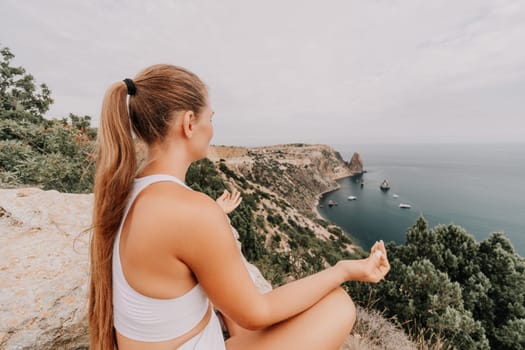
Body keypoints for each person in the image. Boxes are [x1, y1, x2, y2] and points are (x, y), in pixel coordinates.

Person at [88, 64, 390, 350]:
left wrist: (215, 217)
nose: (213, 128)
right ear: (190, 123)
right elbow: (258, 313)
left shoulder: (127, 191)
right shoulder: (189, 212)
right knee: (337, 305)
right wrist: (344, 269)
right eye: (212, 117)